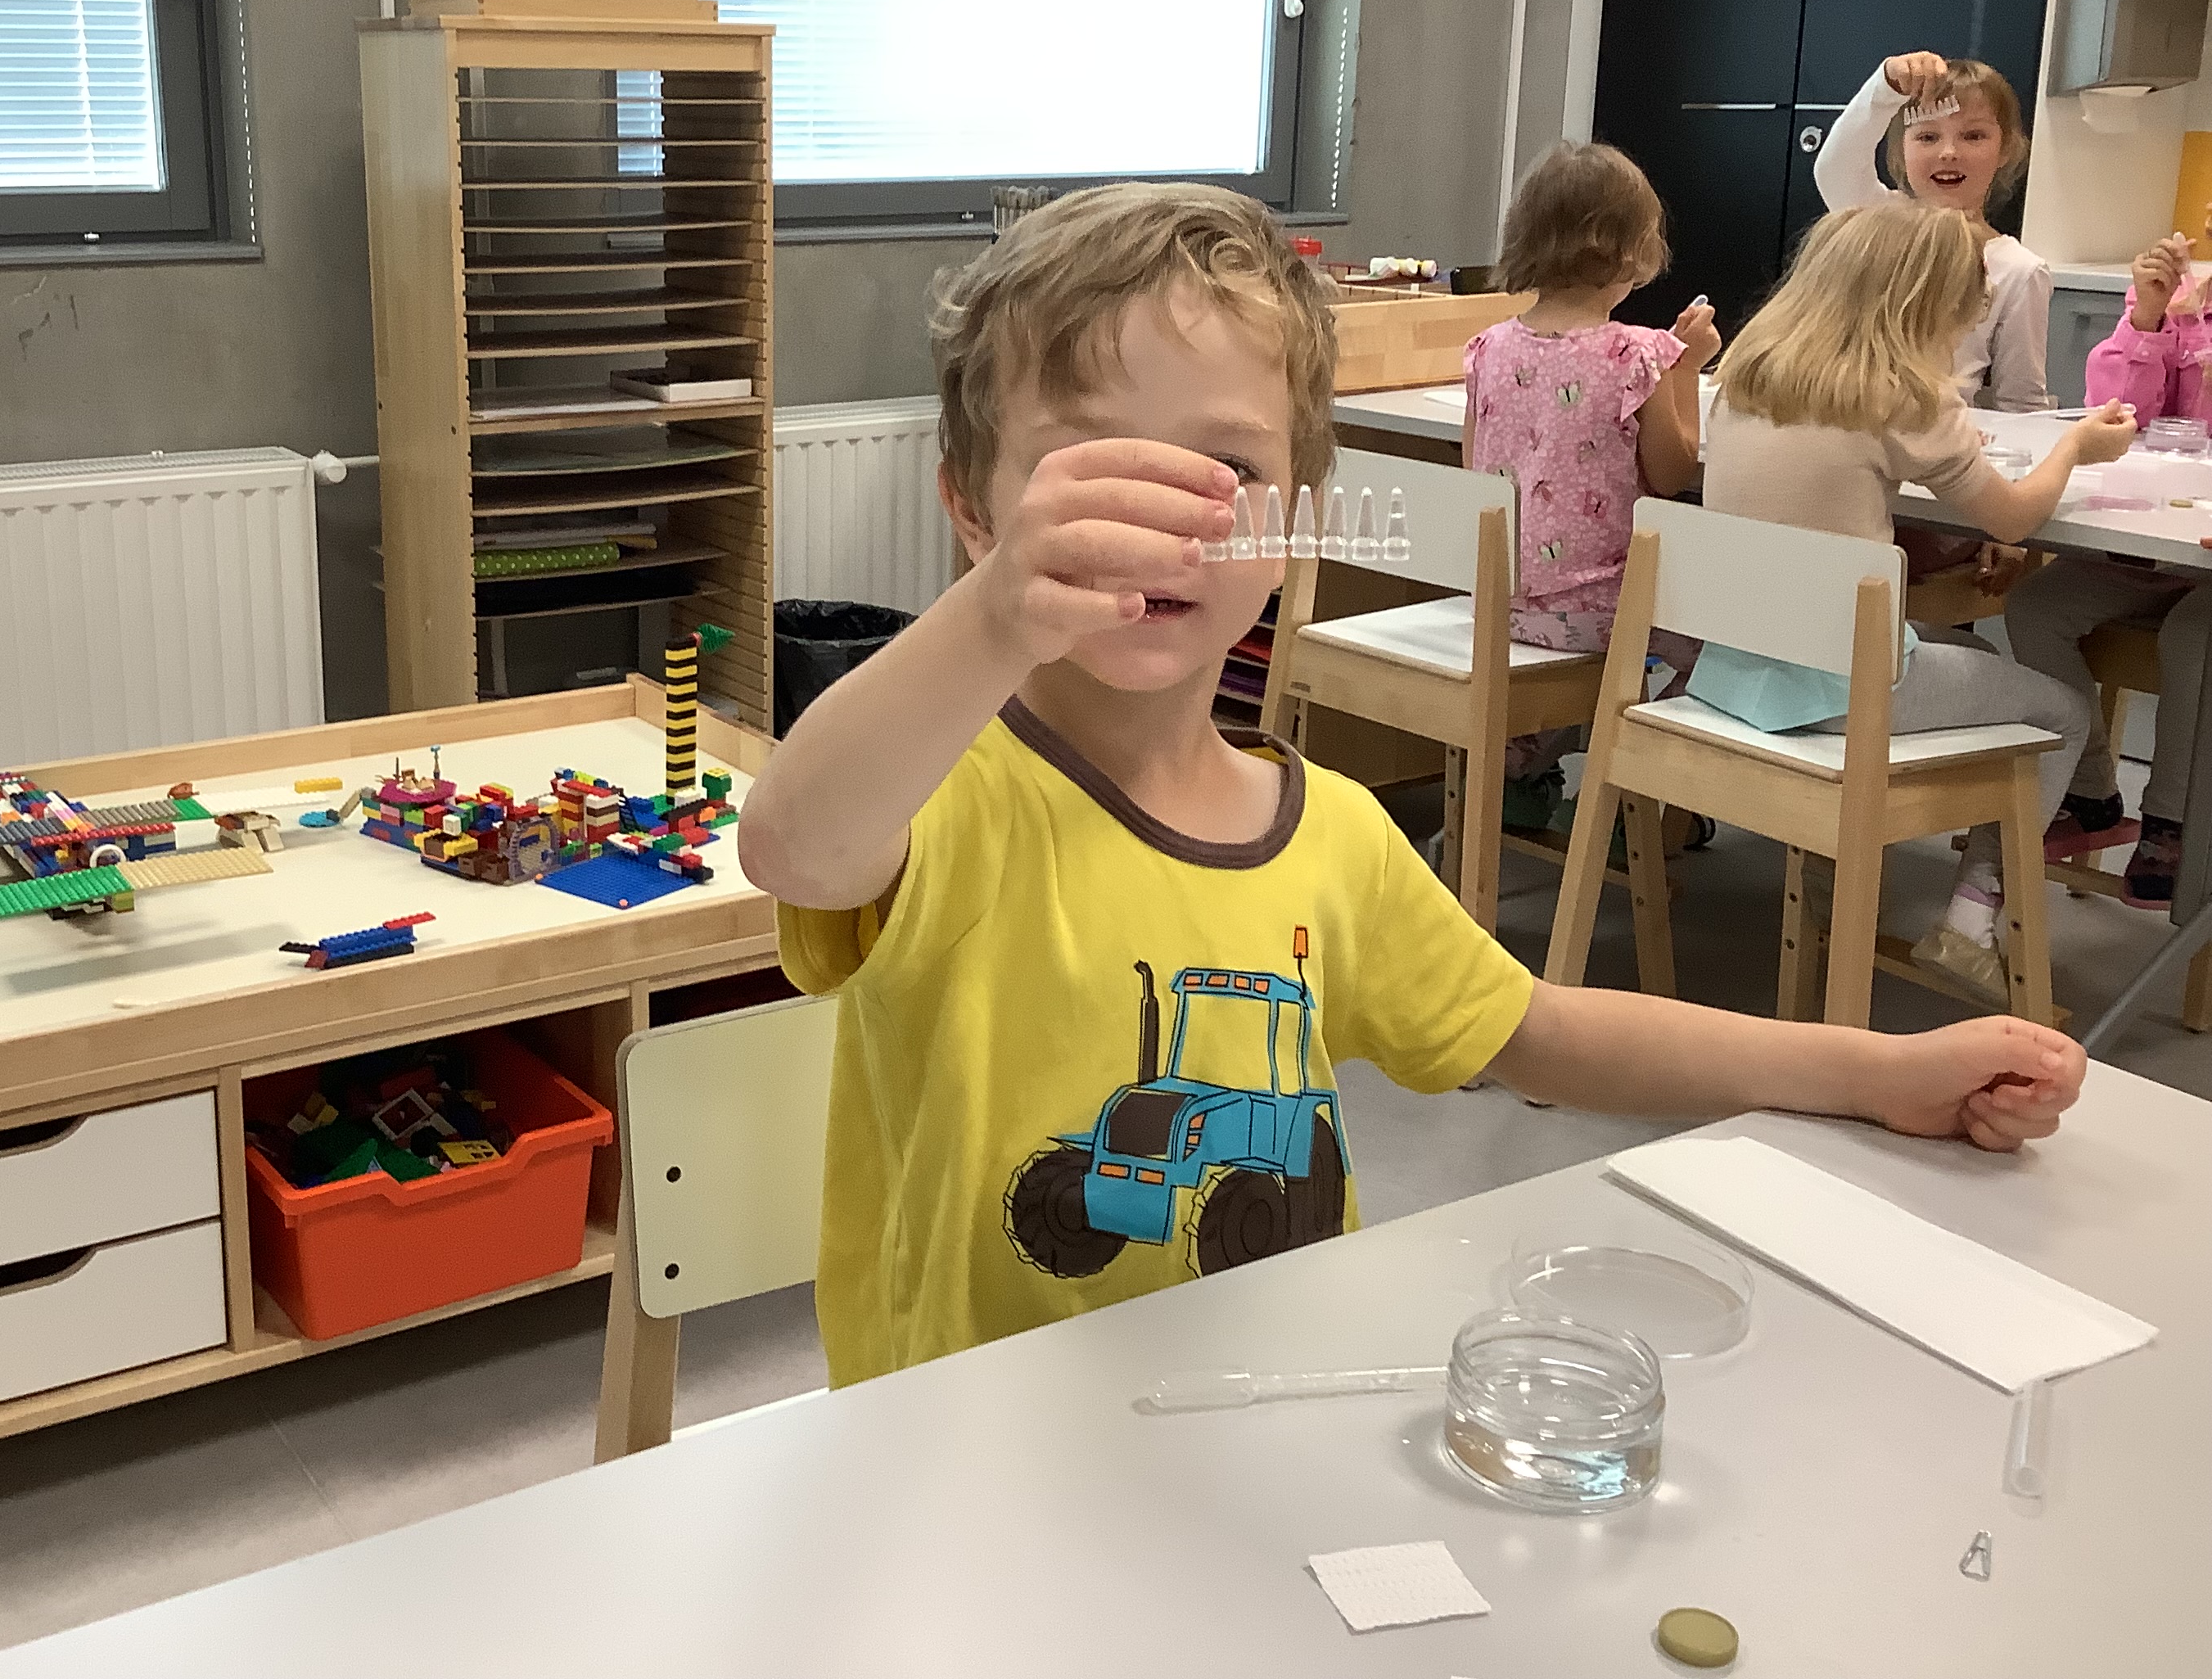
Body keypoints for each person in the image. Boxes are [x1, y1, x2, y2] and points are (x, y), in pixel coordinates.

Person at [735, 182, 2088, 1387]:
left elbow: (1541, 1031)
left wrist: (1872, 1071)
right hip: (972, 1460)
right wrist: (988, 617)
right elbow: (796, 844)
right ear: (974, 509)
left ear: (1297, 515)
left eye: (1228, 468)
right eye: (1087, 470)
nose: (1164, 517)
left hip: (1247, 1416)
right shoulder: (946, 788)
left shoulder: (1327, 833)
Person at [1695, 202, 2134, 999]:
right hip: (1843, 691)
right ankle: (1971, 923)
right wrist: (2074, 444)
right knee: (2063, 711)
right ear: (1926, 305)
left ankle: (1841, 882)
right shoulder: (1906, 397)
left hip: (1737, 673)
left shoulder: (1743, 380)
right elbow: (2013, 519)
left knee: (1967, 651)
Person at [1465, 142, 1714, 828]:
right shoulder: (1638, 354)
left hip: (1501, 603)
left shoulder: (1487, 349)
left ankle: (1521, 773)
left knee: (1584, 659)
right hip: (1603, 612)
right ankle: (1629, 802)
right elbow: (1672, 473)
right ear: (1630, 251)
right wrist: (1686, 369)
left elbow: (1473, 472)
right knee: (1725, 652)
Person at [2004, 210, 2212, 905]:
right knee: (2037, 607)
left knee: (2195, 636)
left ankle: (2172, 822)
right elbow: (2118, 415)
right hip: (2160, 540)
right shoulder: (2185, 305)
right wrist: (2147, 319)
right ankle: (2088, 787)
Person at [1814, 48, 2050, 413]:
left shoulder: (2019, 271)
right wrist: (1885, 88)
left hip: (1937, 438)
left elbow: (2021, 403)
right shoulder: (1879, 221)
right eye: (1927, 137)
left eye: (1973, 136)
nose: (1949, 152)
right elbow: (1835, 168)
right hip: (1842, 422)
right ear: (1901, 151)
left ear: (2004, 149)